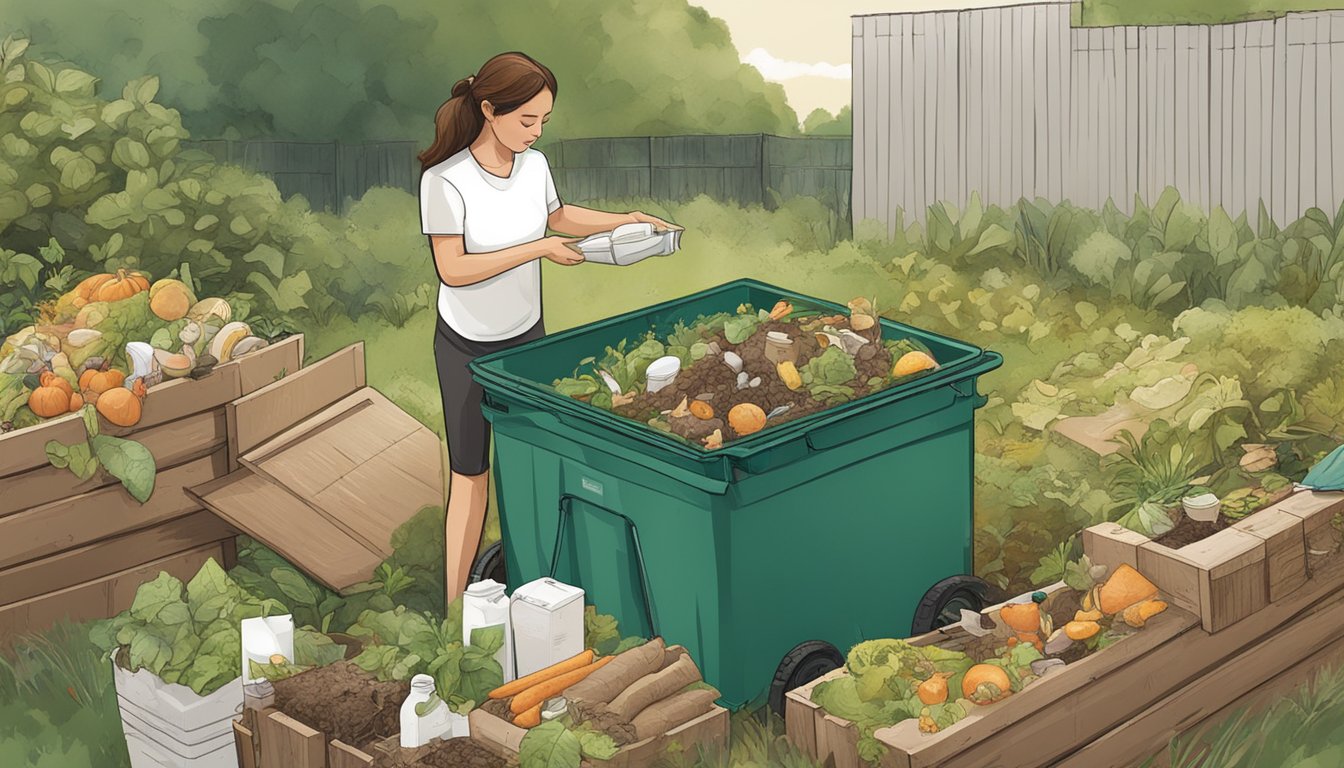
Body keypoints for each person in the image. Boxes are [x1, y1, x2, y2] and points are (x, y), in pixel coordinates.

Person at [418, 51, 673, 606]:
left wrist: (625, 220)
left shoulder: (533, 167)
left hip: (526, 338)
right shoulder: (446, 181)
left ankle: (539, 584)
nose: (535, 133)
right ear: (489, 110)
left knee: (534, 462)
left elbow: (559, 218)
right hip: (466, 346)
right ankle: (456, 606)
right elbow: (452, 269)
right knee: (471, 473)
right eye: (526, 120)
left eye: (543, 122)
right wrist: (537, 249)